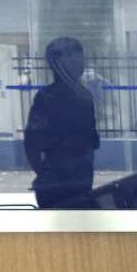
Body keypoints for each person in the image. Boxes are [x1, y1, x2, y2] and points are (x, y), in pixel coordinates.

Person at [24, 36, 100, 208]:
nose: (79, 62)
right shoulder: (47, 97)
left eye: (79, 55)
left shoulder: (85, 96)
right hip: (55, 187)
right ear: (56, 64)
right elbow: (32, 144)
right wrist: (47, 175)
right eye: (70, 56)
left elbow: (90, 142)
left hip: (81, 182)